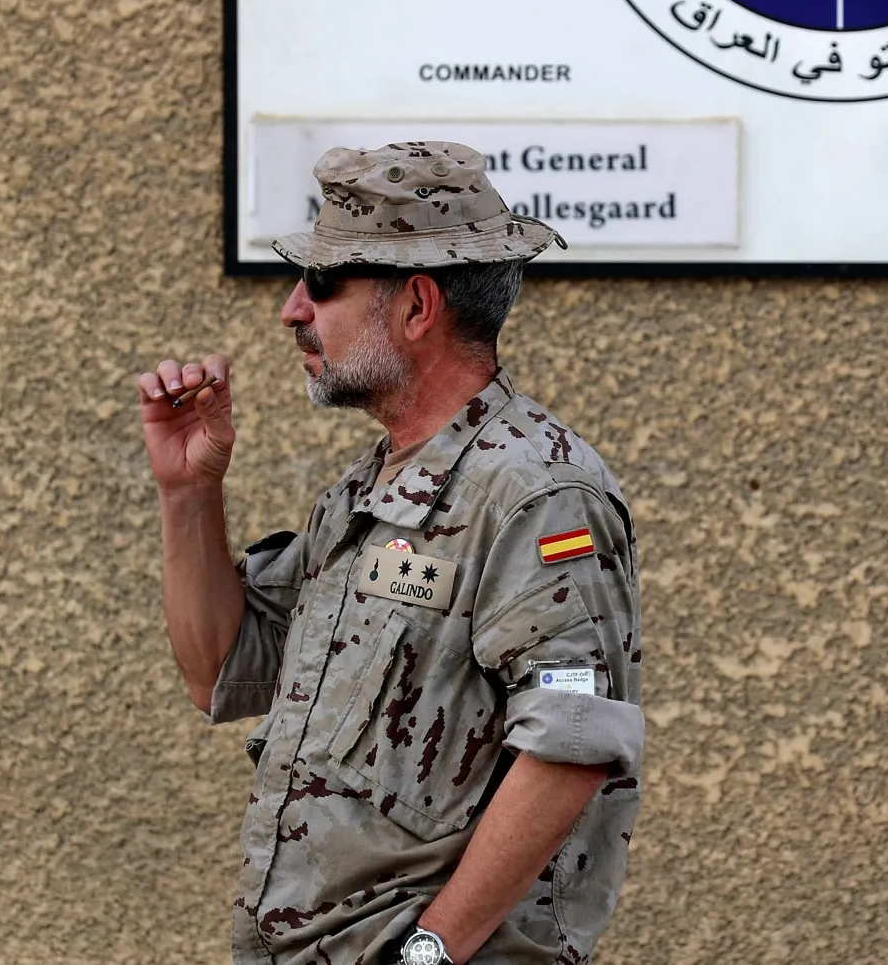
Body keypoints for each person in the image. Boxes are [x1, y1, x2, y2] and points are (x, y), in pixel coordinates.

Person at [138, 141, 642, 965]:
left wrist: (430, 953)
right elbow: (221, 672)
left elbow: (574, 742)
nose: (293, 309)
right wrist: (187, 492)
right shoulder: (365, 494)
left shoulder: (535, 492)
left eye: (325, 283)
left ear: (416, 307)